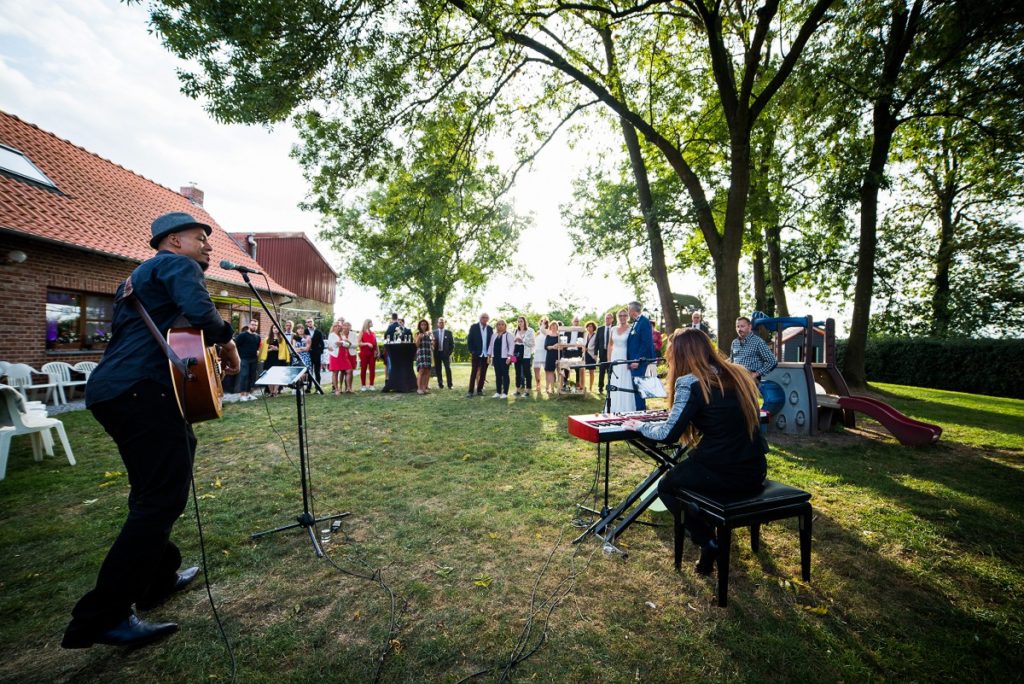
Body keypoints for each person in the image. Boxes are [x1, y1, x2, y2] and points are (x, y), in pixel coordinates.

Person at [61, 212, 240, 650]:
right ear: (174, 241)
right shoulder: (177, 266)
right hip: (144, 390)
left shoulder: (137, 278)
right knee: (160, 496)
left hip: (115, 391)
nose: (209, 247)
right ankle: (102, 616)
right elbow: (200, 314)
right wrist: (228, 340)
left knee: (153, 490)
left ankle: (158, 577)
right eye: (201, 239)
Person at [622, 328, 767, 575]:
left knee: (667, 487)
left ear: (681, 354)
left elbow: (667, 434)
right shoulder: (739, 374)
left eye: (670, 353)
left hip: (721, 472)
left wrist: (640, 425)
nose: (668, 358)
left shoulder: (690, 382)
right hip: (754, 470)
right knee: (687, 477)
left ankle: (707, 540)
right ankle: (706, 522)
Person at [626, 301, 656, 410]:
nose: (628, 312)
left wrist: (637, 360)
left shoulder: (644, 322)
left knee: (639, 389)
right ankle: (638, 410)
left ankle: (640, 412)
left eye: (628, 309)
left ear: (633, 311)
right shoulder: (636, 322)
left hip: (640, 362)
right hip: (634, 361)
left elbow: (646, 343)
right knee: (636, 388)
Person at [606, 308, 636, 413]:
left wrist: (631, 360)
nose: (622, 317)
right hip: (614, 357)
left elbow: (634, 346)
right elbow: (610, 345)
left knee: (625, 381)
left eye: (624, 315)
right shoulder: (613, 329)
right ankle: (613, 407)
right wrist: (609, 360)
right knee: (614, 380)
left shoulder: (631, 328)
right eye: (620, 315)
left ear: (628, 317)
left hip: (625, 357)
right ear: (617, 317)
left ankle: (625, 408)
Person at [730, 316, 777, 381]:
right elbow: (731, 361)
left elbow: (772, 361)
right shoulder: (734, 342)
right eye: (737, 326)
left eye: (742, 326)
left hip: (750, 379)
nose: (739, 329)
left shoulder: (758, 341)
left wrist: (756, 374)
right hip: (736, 377)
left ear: (749, 327)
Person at [466, 312, 493, 397]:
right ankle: (470, 391)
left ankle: (479, 390)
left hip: (486, 354)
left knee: (483, 373)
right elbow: (469, 340)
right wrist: (472, 351)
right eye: (483, 317)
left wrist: (490, 353)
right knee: (474, 372)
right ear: (480, 318)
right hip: (476, 354)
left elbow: (491, 342)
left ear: (488, 319)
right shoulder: (474, 327)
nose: (484, 319)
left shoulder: (490, 329)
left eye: (486, 317)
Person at [234, 318, 262, 402]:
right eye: (253, 324)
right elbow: (235, 346)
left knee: (252, 377)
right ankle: (242, 395)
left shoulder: (258, 337)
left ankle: (249, 394)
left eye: (256, 325)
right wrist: (237, 357)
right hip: (243, 359)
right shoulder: (242, 335)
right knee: (244, 376)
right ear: (249, 325)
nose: (254, 326)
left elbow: (257, 348)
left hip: (254, 359)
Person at [487, 318, 515, 398]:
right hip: (496, 357)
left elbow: (512, 346)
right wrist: (489, 356)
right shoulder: (494, 335)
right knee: (498, 375)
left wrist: (509, 357)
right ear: (496, 326)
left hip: (505, 358)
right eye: (498, 324)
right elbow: (491, 346)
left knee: (505, 375)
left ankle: (505, 393)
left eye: (502, 324)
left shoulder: (508, 335)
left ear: (505, 326)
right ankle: (498, 392)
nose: (500, 326)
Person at [258, 327, 289, 397]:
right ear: (271, 329)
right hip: (269, 359)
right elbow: (264, 350)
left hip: (278, 360)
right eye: (274, 328)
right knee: (268, 375)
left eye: (277, 328)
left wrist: (277, 349)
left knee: (277, 376)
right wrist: (271, 349)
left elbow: (284, 350)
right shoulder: (267, 339)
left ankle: (275, 391)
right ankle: (271, 392)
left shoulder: (282, 339)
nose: (275, 329)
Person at [511, 316, 535, 397]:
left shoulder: (530, 330)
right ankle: (517, 390)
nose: (519, 323)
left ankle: (527, 391)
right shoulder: (515, 331)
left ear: (525, 322)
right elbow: (511, 344)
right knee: (517, 372)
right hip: (515, 352)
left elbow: (532, 344)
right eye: (518, 321)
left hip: (526, 353)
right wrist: (514, 341)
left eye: (521, 321)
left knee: (527, 372)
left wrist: (523, 341)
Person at [594, 313, 614, 394]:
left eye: (609, 318)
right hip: (602, 353)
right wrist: (595, 353)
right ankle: (600, 388)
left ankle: (610, 387)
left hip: (612, 353)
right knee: (601, 371)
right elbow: (597, 342)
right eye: (606, 318)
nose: (607, 319)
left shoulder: (614, 329)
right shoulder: (600, 329)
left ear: (612, 319)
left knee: (610, 371)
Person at [413, 319, 434, 394]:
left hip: (428, 354)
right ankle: (419, 388)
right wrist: (419, 337)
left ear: (427, 326)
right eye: (422, 324)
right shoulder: (417, 333)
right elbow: (417, 345)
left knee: (427, 371)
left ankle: (424, 388)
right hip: (421, 354)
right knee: (421, 371)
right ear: (419, 326)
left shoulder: (430, 334)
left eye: (425, 324)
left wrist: (433, 342)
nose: (423, 326)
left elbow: (433, 345)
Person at [433, 317, 454, 389]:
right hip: (437, 354)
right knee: (438, 369)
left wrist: (449, 353)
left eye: (442, 322)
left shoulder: (449, 333)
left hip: (445, 354)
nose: (441, 323)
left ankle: (450, 385)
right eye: (440, 322)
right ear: (437, 324)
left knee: (448, 369)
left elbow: (452, 345)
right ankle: (440, 384)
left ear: (445, 323)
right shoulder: (434, 332)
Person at [305, 317, 325, 394]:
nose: (309, 323)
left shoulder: (318, 332)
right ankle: (308, 388)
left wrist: (320, 351)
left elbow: (322, 343)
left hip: (317, 354)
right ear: (306, 323)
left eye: (310, 321)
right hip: (308, 354)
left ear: (313, 322)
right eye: (308, 322)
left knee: (317, 371)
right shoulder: (305, 331)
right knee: (309, 371)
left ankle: (318, 388)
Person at [327, 320, 346, 395]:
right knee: (335, 372)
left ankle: (341, 387)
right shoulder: (331, 335)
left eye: (338, 326)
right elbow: (334, 345)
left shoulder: (342, 335)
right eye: (335, 326)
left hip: (342, 355)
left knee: (343, 371)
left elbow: (347, 344)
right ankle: (336, 389)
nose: (337, 327)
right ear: (333, 327)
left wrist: (342, 343)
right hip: (335, 355)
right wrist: (343, 342)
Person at [358, 319, 378, 391]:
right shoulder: (362, 332)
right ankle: (363, 385)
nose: (372, 323)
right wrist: (367, 343)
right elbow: (359, 343)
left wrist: (377, 351)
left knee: (372, 369)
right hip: (364, 353)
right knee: (363, 369)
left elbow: (375, 343)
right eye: (371, 322)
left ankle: (371, 385)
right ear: (367, 323)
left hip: (372, 354)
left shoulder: (373, 333)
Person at [339, 320, 358, 393]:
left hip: (351, 355)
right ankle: (340, 387)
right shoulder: (340, 334)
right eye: (345, 325)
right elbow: (340, 344)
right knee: (342, 371)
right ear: (343, 326)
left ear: (350, 327)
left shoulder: (353, 334)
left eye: (348, 325)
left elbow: (356, 345)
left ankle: (349, 388)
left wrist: (348, 345)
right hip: (342, 355)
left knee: (350, 371)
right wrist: (348, 344)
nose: (347, 327)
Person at [543, 320, 561, 394]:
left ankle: (559, 388)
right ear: (550, 327)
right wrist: (553, 347)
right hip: (550, 356)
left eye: (555, 326)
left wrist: (559, 346)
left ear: (557, 327)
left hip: (558, 355)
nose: (553, 327)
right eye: (552, 326)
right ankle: (551, 388)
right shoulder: (548, 336)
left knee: (559, 372)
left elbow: (563, 346)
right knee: (550, 372)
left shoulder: (560, 336)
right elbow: (545, 347)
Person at [533, 317, 549, 390]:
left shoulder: (547, 331)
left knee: (547, 370)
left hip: (545, 353)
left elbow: (542, 330)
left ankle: (547, 386)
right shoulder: (537, 332)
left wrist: (543, 323)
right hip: (537, 352)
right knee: (536, 369)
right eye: (541, 322)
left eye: (545, 322)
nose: (543, 323)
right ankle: (538, 385)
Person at [584, 320, 598, 393]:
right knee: (583, 371)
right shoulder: (585, 335)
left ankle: (590, 387)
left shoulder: (596, 335)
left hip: (592, 355)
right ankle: (583, 386)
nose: (589, 328)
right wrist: (584, 349)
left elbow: (596, 346)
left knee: (591, 372)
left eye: (591, 326)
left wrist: (588, 349)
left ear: (593, 327)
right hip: (585, 354)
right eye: (588, 326)